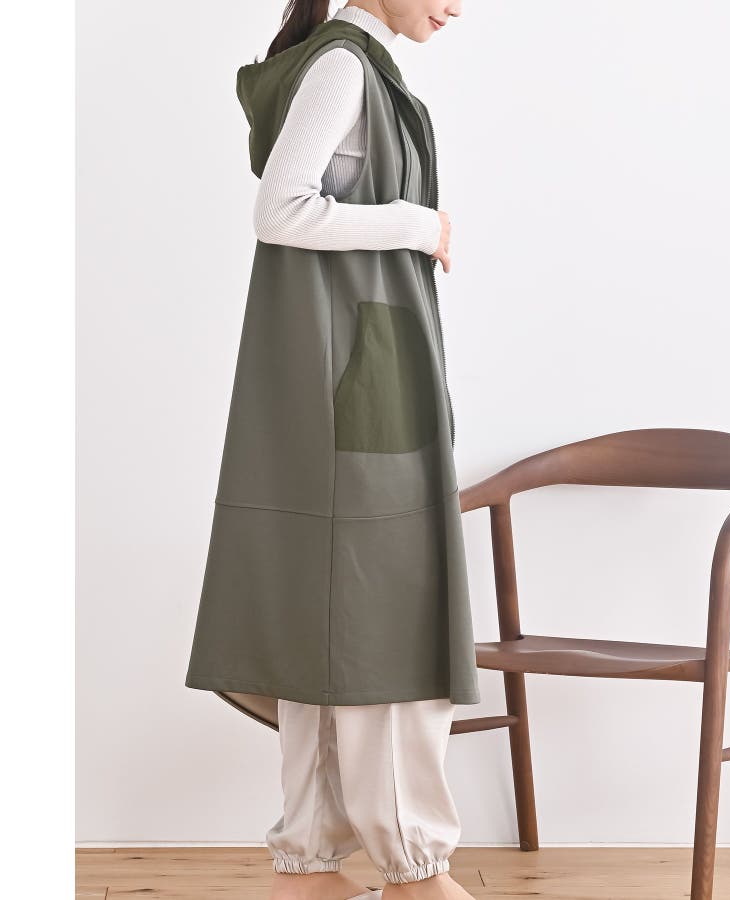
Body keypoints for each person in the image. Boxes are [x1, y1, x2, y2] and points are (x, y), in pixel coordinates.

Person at [183, 3, 480, 900]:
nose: (459, 4)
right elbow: (281, 208)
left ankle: (309, 864)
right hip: (359, 374)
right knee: (386, 611)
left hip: (351, 371)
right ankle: (412, 867)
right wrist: (418, 225)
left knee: (334, 609)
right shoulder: (344, 67)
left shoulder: (352, 63)